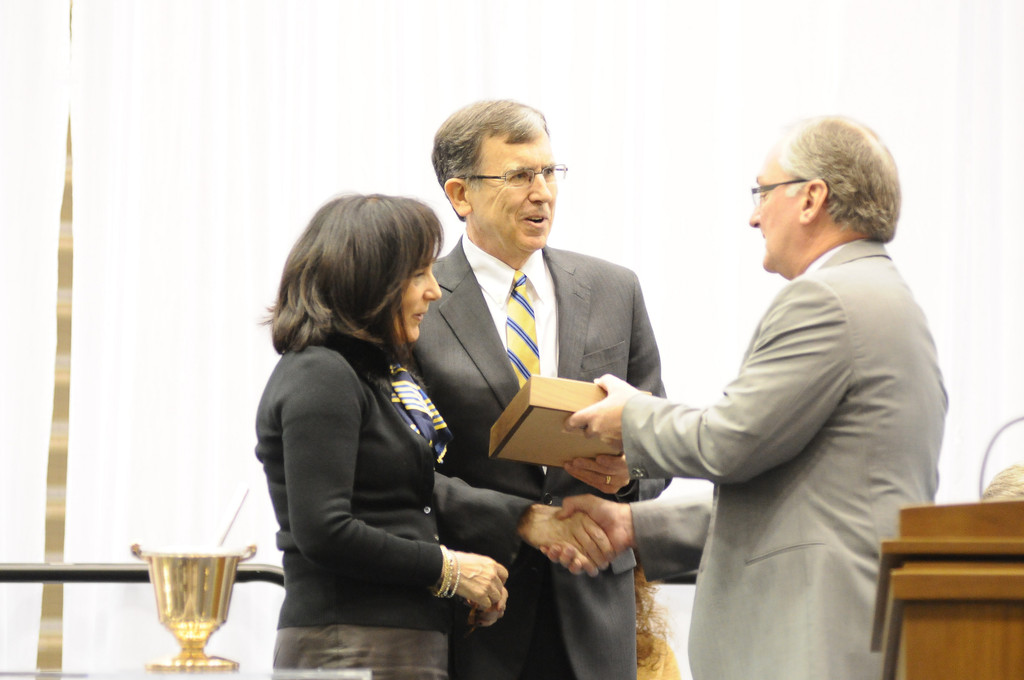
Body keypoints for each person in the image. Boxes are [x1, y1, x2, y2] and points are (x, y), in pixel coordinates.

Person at [557, 116, 948, 680]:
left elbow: (730, 441)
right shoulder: (889, 300)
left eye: (762, 192)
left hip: (816, 639)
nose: (753, 215)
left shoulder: (826, 301)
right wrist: (635, 527)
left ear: (812, 197)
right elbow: (799, 498)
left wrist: (630, 417)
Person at [255, 194, 613, 679]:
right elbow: (324, 531)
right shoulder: (322, 374)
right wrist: (450, 570)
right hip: (348, 645)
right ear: (370, 281)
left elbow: (403, 509)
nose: (434, 291)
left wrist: (460, 584)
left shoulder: (375, 377)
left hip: (401, 641)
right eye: (418, 274)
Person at [412, 99, 667, 680]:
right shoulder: (417, 302)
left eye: (550, 172)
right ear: (460, 195)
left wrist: (629, 476)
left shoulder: (613, 290)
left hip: (595, 606)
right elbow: (400, 471)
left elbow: (658, 435)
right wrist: (518, 517)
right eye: (520, 175)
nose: (543, 192)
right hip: (475, 612)